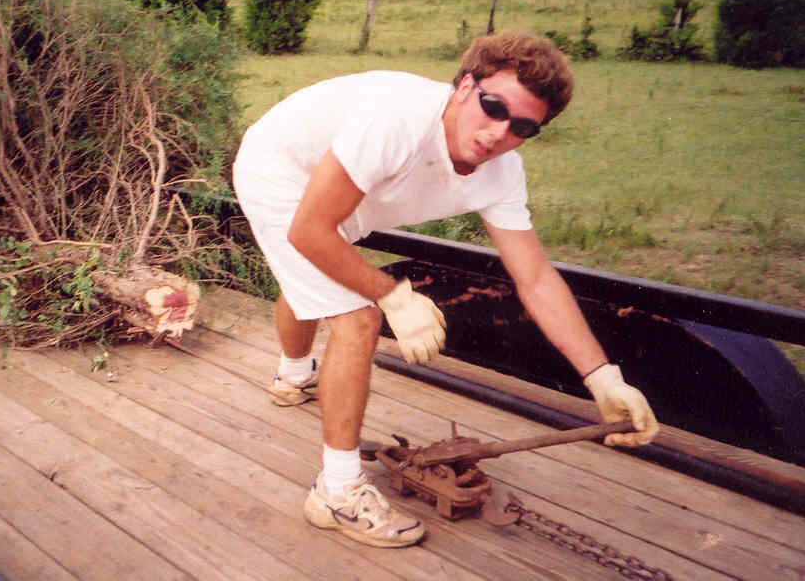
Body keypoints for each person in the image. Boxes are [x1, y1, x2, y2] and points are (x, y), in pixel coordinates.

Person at [231, 30, 659, 549]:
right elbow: (307, 231)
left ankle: (294, 376)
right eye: (493, 106)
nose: (499, 133)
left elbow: (536, 278)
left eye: (523, 126)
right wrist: (392, 296)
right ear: (462, 87)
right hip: (279, 165)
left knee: (320, 280)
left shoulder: (501, 171)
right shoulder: (399, 122)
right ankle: (337, 494)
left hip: (347, 182)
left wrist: (604, 380)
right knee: (357, 314)